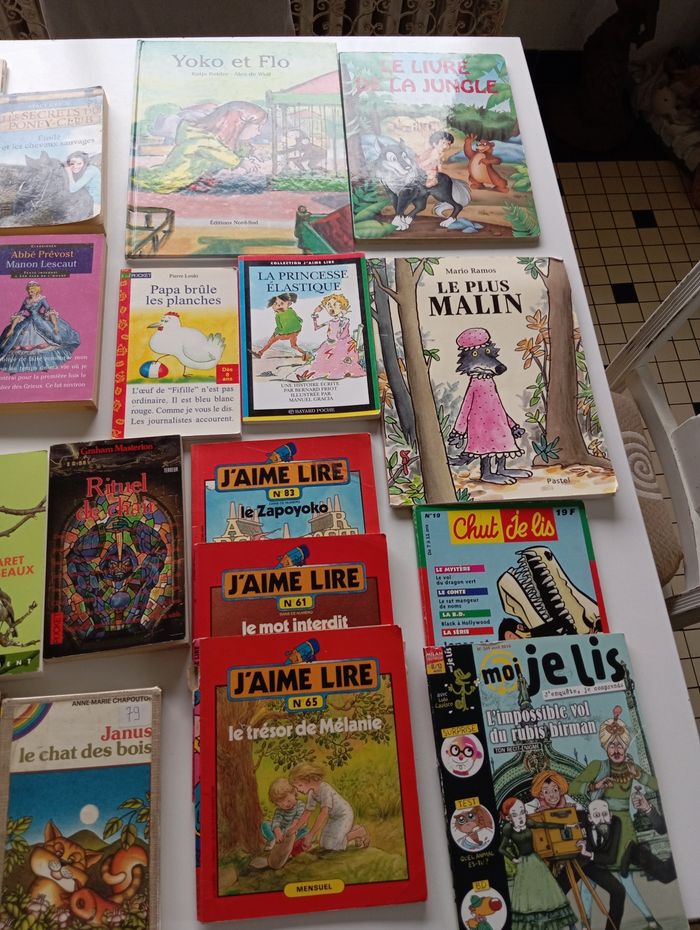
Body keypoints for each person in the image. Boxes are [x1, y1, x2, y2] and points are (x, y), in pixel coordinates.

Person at [134, 100, 267, 195]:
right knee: (150, 181)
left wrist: (253, 152)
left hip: (190, 180)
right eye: (258, 126)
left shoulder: (218, 139)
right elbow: (216, 151)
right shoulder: (201, 137)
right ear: (239, 124)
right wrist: (240, 162)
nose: (259, 132)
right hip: (172, 179)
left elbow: (230, 149)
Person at [498, 797, 577, 930]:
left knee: (550, 892)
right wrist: (513, 858)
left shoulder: (528, 822)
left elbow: (545, 825)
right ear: (508, 817)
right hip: (524, 865)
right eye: (515, 814)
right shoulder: (508, 829)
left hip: (536, 862)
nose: (520, 817)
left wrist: (564, 826)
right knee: (529, 897)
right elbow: (501, 848)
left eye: (522, 812)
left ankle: (569, 926)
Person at [0, 282, 80, 373]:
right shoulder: (26, 300)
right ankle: (16, 366)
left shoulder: (41, 299)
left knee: (54, 338)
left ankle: (44, 365)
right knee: (14, 337)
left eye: (32, 291)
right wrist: (12, 328)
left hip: (39, 320)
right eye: (29, 291)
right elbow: (20, 313)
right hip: (27, 321)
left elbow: (50, 311)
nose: (30, 293)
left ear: (36, 291)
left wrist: (55, 325)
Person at [288, 762, 369, 852]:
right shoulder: (312, 793)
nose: (298, 790)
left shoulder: (324, 789)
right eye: (296, 787)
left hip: (344, 815)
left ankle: (359, 832)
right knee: (324, 843)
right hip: (334, 817)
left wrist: (311, 835)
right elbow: (307, 812)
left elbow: (324, 814)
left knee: (333, 845)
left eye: (300, 785)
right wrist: (295, 828)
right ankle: (352, 829)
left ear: (309, 780)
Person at [295, 293, 365, 381]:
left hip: (342, 345)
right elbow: (316, 328)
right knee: (318, 362)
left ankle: (325, 373)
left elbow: (340, 333)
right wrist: (314, 318)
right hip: (329, 344)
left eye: (335, 305)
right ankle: (306, 375)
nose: (331, 308)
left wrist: (341, 316)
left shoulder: (345, 320)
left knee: (334, 363)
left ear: (342, 307)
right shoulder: (331, 321)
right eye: (328, 306)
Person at [253, 292, 311, 362]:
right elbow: (299, 319)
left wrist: (275, 333)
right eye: (276, 304)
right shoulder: (291, 311)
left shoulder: (278, 316)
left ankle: (260, 353)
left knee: (270, 342)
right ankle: (304, 353)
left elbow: (279, 328)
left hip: (283, 334)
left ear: (288, 303)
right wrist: (299, 321)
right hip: (295, 333)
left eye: (281, 303)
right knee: (294, 345)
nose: (279, 305)